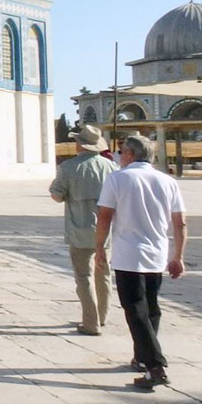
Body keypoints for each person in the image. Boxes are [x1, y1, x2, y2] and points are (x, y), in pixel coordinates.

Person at [94, 134, 187, 391]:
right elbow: (179, 222)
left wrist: (100, 247)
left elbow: (104, 217)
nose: (119, 155)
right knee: (151, 309)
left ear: (131, 154)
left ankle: (155, 365)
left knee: (135, 310)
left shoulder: (117, 179)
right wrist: (178, 255)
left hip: (128, 254)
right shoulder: (167, 181)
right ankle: (141, 358)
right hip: (156, 254)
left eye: (121, 151)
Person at [49, 124, 119, 335]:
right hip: (105, 230)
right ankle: (102, 315)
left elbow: (56, 194)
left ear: (80, 144)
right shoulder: (111, 167)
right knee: (103, 273)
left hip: (79, 229)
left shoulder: (68, 168)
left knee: (83, 276)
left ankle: (91, 322)